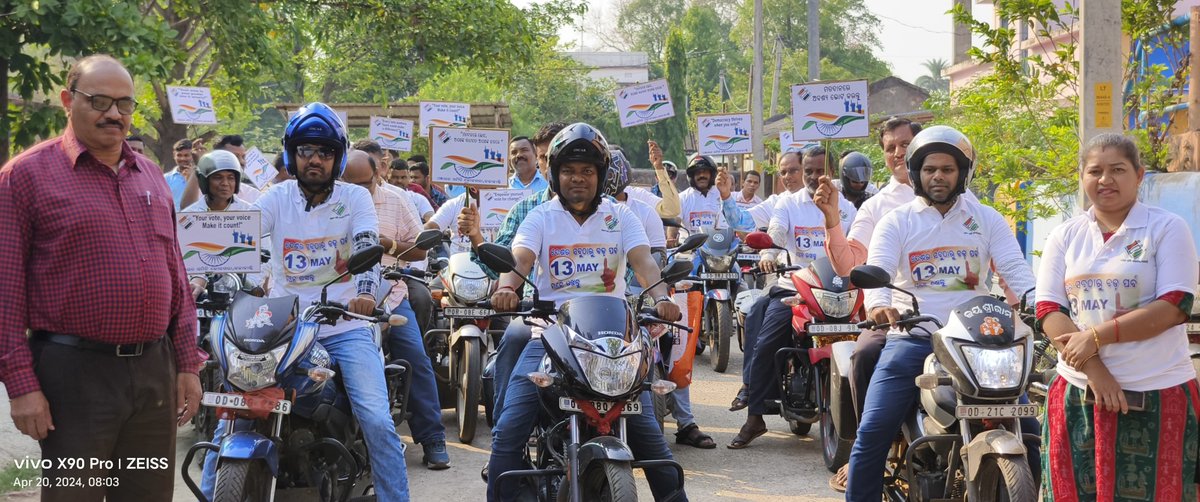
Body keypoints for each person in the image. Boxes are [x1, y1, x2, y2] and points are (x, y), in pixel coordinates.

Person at [0, 54, 205, 502]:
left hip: (154, 372)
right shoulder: (24, 177)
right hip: (74, 377)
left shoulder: (149, 175)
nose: (114, 114)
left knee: (148, 495)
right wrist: (21, 387)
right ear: (68, 100)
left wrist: (188, 363)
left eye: (124, 104)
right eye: (99, 101)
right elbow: (4, 294)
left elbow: (175, 271)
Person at [198, 102, 410, 500]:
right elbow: (249, 244)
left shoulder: (355, 199)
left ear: (338, 156)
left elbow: (366, 244)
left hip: (344, 325)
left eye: (325, 152)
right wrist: (227, 276)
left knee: (377, 421)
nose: (315, 160)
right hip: (282, 326)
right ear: (292, 155)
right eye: (306, 151)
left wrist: (365, 293)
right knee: (235, 414)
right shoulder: (273, 198)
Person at [485, 122, 687, 501]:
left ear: (600, 176)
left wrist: (662, 296)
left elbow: (644, 264)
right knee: (509, 430)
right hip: (549, 336)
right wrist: (508, 287)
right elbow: (520, 259)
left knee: (653, 444)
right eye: (569, 171)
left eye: (587, 171)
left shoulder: (621, 216)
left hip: (613, 341)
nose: (578, 178)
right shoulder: (540, 217)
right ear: (556, 175)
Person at [843, 126, 1039, 502]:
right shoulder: (897, 221)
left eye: (948, 169)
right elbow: (879, 270)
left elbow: (1016, 270)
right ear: (916, 173)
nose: (938, 176)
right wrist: (879, 305)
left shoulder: (987, 218)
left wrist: (1041, 304)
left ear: (963, 173)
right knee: (873, 432)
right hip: (914, 339)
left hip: (980, 344)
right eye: (930, 169)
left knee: (1030, 433)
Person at [1036, 133, 1200, 499]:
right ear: (1082, 177)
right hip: (1079, 394)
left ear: (1140, 175)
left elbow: (1174, 305)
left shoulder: (1167, 228)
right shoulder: (1066, 236)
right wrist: (1096, 371)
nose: (1105, 180)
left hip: (1157, 391)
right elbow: (1049, 310)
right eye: (1095, 170)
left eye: (1118, 170)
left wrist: (1096, 336)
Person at [815, 117, 924, 490]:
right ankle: (870, 452)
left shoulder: (967, 202)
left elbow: (1005, 267)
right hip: (898, 321)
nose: (899, 152)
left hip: (960, 322)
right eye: (891, 146)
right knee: (864, 353)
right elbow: (850, 263)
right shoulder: (879, 207)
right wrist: (832, 222)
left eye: (906, 143)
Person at [727, 150, 856, 449]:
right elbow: (776, 233)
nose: (812, 177)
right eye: (807, 171)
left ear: (832, 170)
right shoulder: (788, 203)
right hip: (795, 287)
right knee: (767, 341)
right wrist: (769, 254)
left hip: (841, 291)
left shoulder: (847, 207)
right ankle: (755, 415)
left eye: (817, 170)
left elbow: (860, 243)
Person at [342, 150, 450, 470]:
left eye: (367, 183)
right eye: (352, 184)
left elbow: (419, 250)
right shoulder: (328, 204)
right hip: (341, 299)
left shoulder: (397, 200)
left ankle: (433, 439)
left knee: (415, 357)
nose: (361, 191)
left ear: (379, 175)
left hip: (389, 295)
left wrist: (388, 245)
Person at [607, 149, 714, 449]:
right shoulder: (570, 214)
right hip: (601, 304)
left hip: (642, 297)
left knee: (671, 348)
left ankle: (686, 421)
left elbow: (652, 260)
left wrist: (657, 295)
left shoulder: (641, 209)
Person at [164, 138, 194, 210]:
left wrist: (192, 178)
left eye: (186, 155)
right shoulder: (165, 178)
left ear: (192, 156)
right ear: (174, 155)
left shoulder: (201, 176)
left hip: (197, 218)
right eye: (179, 155)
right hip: (174, 219)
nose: (182, 158)